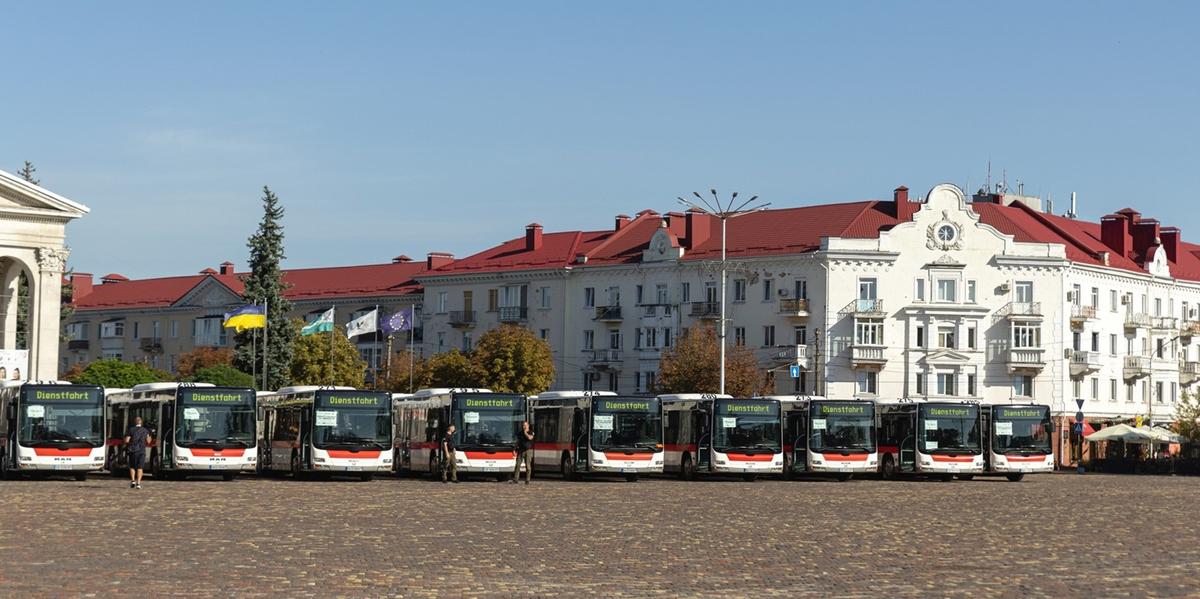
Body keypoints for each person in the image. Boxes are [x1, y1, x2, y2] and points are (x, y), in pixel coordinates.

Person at [125, 416, 152, 489]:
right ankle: (139, 483)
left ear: (135, 423)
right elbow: (148, 441)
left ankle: (133, 480)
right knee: (140, 467)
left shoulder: (131, 430)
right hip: (142, 451)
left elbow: (127, 440)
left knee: (132, 466)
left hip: (133, 451)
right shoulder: (146, 431)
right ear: (141, 423)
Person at [512, 420, 534, 485]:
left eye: (525, 425)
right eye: (523, 425)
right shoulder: (520, 433)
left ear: (528, 426)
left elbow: (530, 438)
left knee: (528, 466)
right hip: (520, 450)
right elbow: (518, 441)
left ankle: (527, 480)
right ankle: (515, 479)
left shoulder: (531, 432)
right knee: (518, 465)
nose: (524, 427)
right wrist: (514, 449)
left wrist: (525, 433)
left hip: (528, 450)